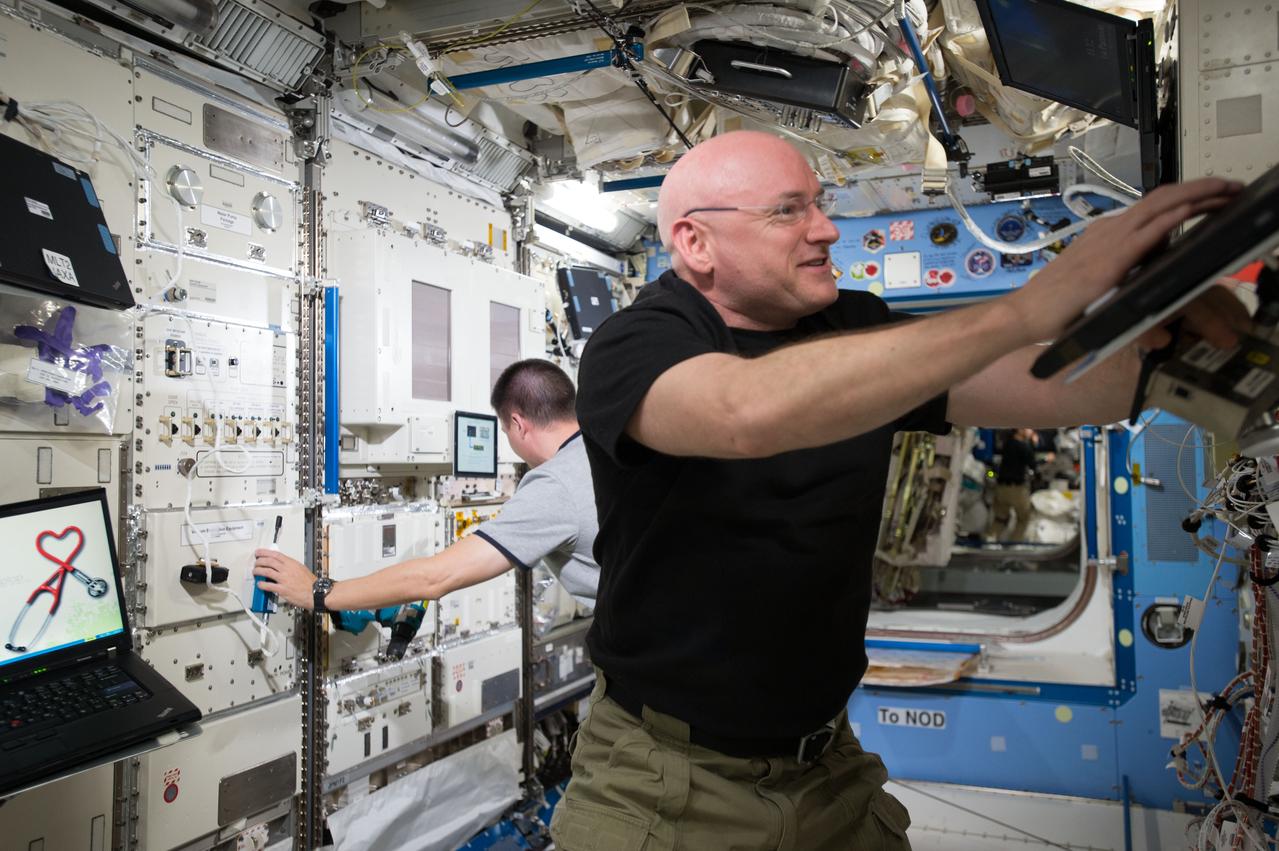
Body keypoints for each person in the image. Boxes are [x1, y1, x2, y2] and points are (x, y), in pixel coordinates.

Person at [551, 130, 1248, 851]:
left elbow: (1043, 381)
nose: (825, 229)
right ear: (696, 242)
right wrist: (1023, 308)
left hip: (825, 764)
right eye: (788, 212)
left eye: (818, 205)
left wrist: (1175, 351)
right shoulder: (634, 344)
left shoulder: (853, 324)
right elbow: (742, 412)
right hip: (664, 775)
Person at [252, 359, 600, 613]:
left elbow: (435, 579)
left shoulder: (554, 484)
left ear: (517, 424)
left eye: (506, 433)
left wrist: (318, 591)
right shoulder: (604, 452)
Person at [986, 427, 1039, 541]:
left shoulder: (1008, 443)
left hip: (1001, 488)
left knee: (1000, 518)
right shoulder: (1023, 446)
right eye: (1028, 428)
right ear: (1019, 430)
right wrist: (1033, 444)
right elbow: (1033, 464)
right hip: (1016, 490)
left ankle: (990, 540)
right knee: (1023, 519)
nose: (1031, 431)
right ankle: (1014, 544)